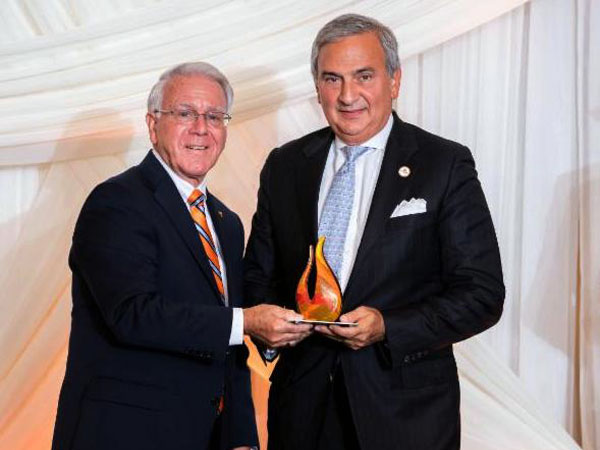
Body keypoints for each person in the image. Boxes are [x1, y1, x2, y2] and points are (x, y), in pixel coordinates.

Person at [244, 14, 505, 450]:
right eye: (332, 79)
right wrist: (269, 332)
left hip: (405, 415)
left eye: (364, 76)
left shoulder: (443, 164)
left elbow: (481, 294)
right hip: (302, 411)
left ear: (394, 80)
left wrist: (388, 326)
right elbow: (257, 277)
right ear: (317, 87)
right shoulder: (285, 166)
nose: (348, 96)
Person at [51, 62, 309, 450]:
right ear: (153, 125)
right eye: (185, 114)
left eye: (215, 116)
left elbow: (230, 341)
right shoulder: (116, 203)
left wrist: (242, 436)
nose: (201, 128)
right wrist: (248, 321)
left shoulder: (227, 222)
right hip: (125, 435)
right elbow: (133, 314)